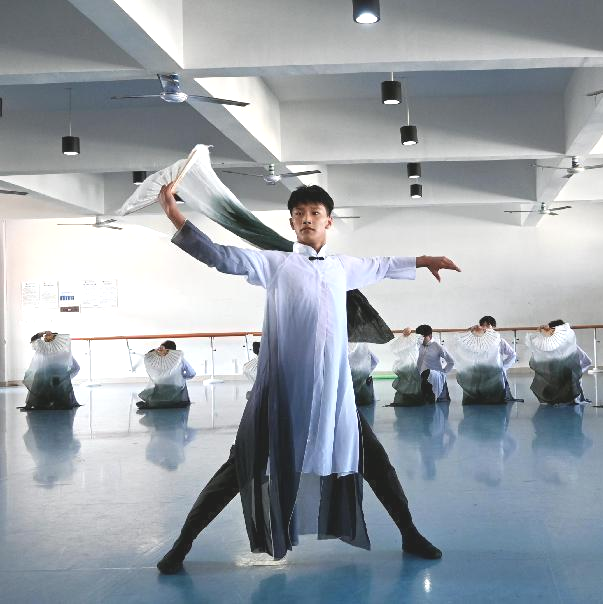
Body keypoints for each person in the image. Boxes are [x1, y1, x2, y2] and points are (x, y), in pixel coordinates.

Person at [155, 182, 459, 574]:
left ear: (328, 221)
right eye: (299, 214)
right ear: (291, 223)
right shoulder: (276, 264)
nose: (306, 219)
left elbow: (383, 264)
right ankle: (182, 544)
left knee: (377, 464)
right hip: (282, 396)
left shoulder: (342, 268)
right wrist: (174, 214)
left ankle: (410, 533)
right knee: (238, 469)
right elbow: (220, 256)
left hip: (334, 396)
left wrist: (425, 259)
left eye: (315, 213)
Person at [526, 320, 591, 405]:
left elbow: (587, 361)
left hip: (565, 385)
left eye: (552, 331)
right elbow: (587, 361)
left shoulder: (569, 347)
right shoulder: (552, 347)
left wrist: (575, 373)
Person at [21, 332, 80, 411]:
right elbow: (76, 368)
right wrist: (65, 376)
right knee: (58, 375)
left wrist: (41, 333)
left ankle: (41, 402)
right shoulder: (65, 353)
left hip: (43, 385)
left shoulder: (42, 351)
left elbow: (33, 340)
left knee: (39, 373)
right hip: (59, 383)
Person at [450, 324, 507, 405]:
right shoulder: (470, 342)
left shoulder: (493, 338)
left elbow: (457, 338)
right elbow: (457, 338)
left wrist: (469, 330)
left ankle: (482, 399)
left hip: (488, 371)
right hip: (480, 371)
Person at [137, 340, 196, 410]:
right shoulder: (180, 359)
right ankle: (178, 401)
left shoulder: (154, 360)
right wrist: (182, 377)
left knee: (157, 381)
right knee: (181, 379)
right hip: (176, 392)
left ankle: (158, 402)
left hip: (159, 390)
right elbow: (192, 373)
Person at [478, 315, 522, 402]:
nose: (485, 328)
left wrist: (503, 366)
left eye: (488, 325)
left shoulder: (500, 341)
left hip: (497, 372)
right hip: (483, 371)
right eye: (483, 325)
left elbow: (512, 354)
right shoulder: (478, 341)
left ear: (493, 327)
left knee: (497, 396)